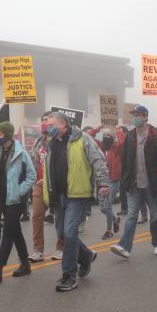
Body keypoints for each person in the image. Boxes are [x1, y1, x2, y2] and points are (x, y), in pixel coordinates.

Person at [41, 111, 109, 292]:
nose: (48, 128)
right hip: (58, 196)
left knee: (70, 233)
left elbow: (99, 160)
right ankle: (86, 256)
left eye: (51, 125)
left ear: (63, 124)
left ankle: (69, 275)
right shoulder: (50, 143)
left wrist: (103, 183)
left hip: (77, 195)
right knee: (63, 235)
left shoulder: (83, 139)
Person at [0, 122, 36, 282]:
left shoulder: (21, 153)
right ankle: (25, 264)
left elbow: (31, 176)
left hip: (16, 199)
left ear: (8, 135)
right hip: (3, 197)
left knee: (8, 231)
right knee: (15, 231)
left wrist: (20, 191)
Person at [111, 105, 157, 259]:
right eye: (133, 115)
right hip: (134, 183)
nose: (135, 117)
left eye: (138, 115)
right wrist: (125, 181)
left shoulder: (156, 134)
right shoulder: (130, 135)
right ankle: (124, 247)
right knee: (131, 216)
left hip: (151, 183)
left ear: (145, 117)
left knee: (155, 215)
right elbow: (126, 160)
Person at [28, 117, 50, 262]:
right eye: (43, 132)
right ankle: (38, 250)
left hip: (54, 185)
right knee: (36, 217)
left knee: (60, 219)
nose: (45, 135)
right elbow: (33, 159)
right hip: (38, 184)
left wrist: (48, 179)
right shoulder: (38, 142)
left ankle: (61, 247)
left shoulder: (60, 143)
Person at [99, 127, 124, 240]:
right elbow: (88, 135)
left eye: (109, 135)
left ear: (113, 138)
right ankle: (115, 219)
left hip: (114, 180)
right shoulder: (101, 147)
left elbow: (122, 141)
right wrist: (99, 127)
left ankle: (108, 230)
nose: (106, 137)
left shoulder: (116, 148)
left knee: (107, 206)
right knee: (103, 208)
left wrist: (117, 129)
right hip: (103, 180)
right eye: (105, 135)